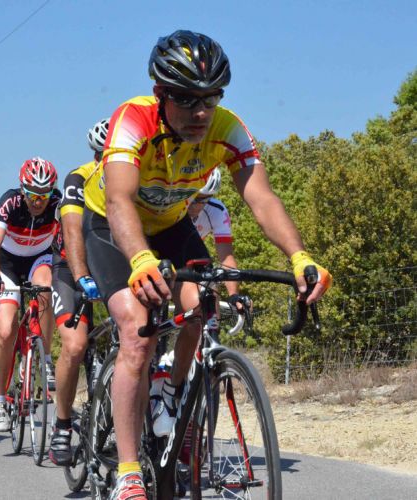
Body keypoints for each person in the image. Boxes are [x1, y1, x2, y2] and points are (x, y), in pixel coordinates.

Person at [78, 30, 332, 498]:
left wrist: (299, 256)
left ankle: (171, 394)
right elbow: (118, 200)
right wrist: (140, 259)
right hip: (113, 226)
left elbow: (261, 198)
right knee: (137, 331)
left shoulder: (228, 128)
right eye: (186, 99)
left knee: (202, 307)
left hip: (171, 224)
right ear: (160, 93)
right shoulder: (132, 119)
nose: (200, 112)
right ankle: (128, 472)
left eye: (210, 98)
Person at [0, 157, 60, 432]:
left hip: (39, 259)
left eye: (44, 195)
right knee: (6, 331)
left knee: (46, 287)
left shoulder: (57, 203)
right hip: (8, 264)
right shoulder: (10, 202)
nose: (38, 201)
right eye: (33, 194)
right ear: (22, 190)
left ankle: (46, 359)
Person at [48, 119, 106, 465]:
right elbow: (71, 231)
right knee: (74, 345)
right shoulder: (79, 178)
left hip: (106, 264)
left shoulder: (133, 176)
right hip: (69, 268)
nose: (105, 160)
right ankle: (62, 425)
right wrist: (83, 275)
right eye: (100, 154)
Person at [187, 167, 247, 308]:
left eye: (201, 199)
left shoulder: (217, 211)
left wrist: (233, 295)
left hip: (190, 250)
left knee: (210, 291)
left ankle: (209, 321)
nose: (193, 205)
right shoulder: (172, 204)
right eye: (190, 197)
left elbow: (226, 258)